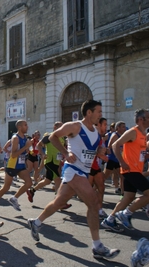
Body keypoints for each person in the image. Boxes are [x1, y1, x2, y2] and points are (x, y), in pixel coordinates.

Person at [27, 100, 120, 260]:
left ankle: (36, 222)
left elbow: (90, 149)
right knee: (93, 202)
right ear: (89, 113)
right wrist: (65, 153)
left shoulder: (96, 131)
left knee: (58, 202)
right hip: (73, 170)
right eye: (98, 111)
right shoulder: (75, 126)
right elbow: (53, 137)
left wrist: (99, 151)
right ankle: (97, 246)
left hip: (84, 172)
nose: (101, 114)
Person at [101, 109, 149, 231]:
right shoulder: (132, 132)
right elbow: (115, 145)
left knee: (128, 197)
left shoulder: (143, 135)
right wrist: (122, 162)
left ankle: (109, 220)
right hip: (130, 170)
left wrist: (147, 156)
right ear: (141, 120)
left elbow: (137, 152)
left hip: (136, 170)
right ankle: (126, 213)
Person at [0, 120, 32, 216]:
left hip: (21, 165)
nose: (27, 126)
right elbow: (13, 154)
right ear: (20, 127)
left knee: (29, 183)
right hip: (12, 165)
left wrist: (28, 150)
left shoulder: (25, 138)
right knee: (6, 187)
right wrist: (26, 147)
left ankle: (14, 198)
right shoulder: (15, 138)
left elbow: (24, 152)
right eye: (25, 125)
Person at [26, 121, 72, 210]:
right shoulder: (49, 136)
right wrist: (42, 154)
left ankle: (32, 191)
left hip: (56, 162)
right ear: (54, 127)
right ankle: (60, 203)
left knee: (47, 181)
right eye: (59, 126)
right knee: (58, 181)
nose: (61, 128)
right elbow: (39, 145)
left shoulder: (62, 138)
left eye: (62, 126)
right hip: (49, 161)